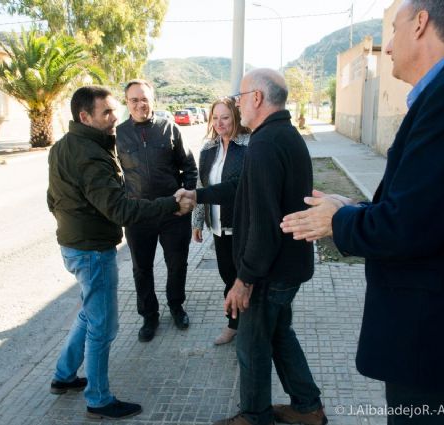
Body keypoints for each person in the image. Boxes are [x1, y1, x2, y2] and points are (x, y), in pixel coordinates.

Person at [281, 1, 444, 424]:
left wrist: (337, 222)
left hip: (433, 340)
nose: (388, 46)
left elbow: (408, 227)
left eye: (394, 28)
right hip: (435, 337)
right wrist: (352, 206)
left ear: (422, 22)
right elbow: (428, 206)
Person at [178, 68, 327, 425]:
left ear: (257, 98)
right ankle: (308, 408)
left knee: (251, 345)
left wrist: (244, 280)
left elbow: (263, 223)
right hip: (287, 266)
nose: (237, 104)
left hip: (270, 272)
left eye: (240, 97)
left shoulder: (264, 144)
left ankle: (255, 416)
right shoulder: (283, 136)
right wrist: (198, 194)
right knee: (278, 335)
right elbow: (239, 188)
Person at [47, 86, 193, 420]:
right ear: (85, 117)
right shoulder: (90, 155)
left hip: (73, 245)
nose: (116, 118)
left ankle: (63, 375)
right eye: (108, 112)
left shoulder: (65, 146)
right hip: (92, 251)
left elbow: (52, 199)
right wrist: (170, 203)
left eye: (116, 110)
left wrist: (73, 221)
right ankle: (98, 399)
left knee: (88, 313)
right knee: (103, 327)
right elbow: (119, 208)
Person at [116, 79, 198, 342]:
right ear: (127, 103)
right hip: (138, 217)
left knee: (177, 264)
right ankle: (149, 316)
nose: (140, 104)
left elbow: (189, 167)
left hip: (173, 215)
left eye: (144, 98)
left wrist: (185, 198)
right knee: (141, 269)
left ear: (153, 100)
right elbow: (113, 176)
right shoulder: (118, 134)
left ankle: (176, 306)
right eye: (134, 100)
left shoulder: (169, 128)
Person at [191, 97, 250, 345]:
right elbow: (201, 186)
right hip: (218, 227)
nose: (219, 123)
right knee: (229, 278)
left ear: (236, 117)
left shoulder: (250, 145)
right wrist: (197, 221)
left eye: (225, 117)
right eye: (215, 118)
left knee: (246, 280)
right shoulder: (208, 149)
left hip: (243, 227)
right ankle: (233, 325)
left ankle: (250, 328)